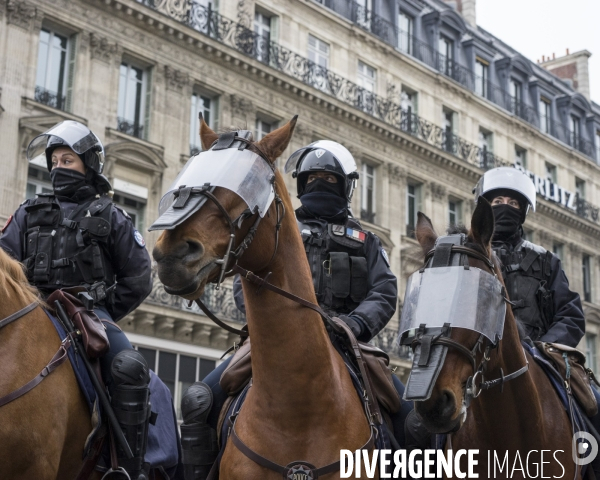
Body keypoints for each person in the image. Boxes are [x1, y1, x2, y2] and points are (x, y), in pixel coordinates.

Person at [179, 140, 410, 480]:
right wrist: (269, 324)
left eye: (329, 179)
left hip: (348, 339)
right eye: (313, 177)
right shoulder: (273, 229)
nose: (320, 184)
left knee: (412, 418)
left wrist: (354, 324)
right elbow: (246, 279)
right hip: (275, 339)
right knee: (199, 402)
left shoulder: (366, 240)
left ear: (345, 186)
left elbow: (385, 291)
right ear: (301, 184)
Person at [0, 120, 154, 480]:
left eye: (67, 160)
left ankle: (126, 468)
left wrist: (102, 311)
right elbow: (4, 264)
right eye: (54, 161)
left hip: (88, 313)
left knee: (130, 368)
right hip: (31, 309)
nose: (58, 168)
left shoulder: (112, 216)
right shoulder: (27, 211)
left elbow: (139, 277)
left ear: (89, 164)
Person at [474, 167, 600, 473]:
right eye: (497, 200)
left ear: (524, 211)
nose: (504, 206)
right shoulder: (468, 256)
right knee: (423, 422)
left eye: (513, 202)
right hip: (477, 360)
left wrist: (544, 348)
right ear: (483, 208)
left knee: (596, 404)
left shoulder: (546, 260)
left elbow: (570, 314)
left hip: (541, 359)